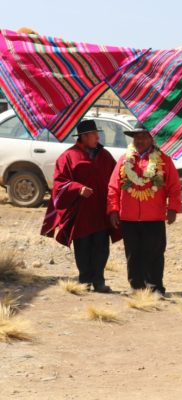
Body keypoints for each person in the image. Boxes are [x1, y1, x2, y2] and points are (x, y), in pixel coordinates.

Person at [41, 120, 120, 293]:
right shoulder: (68, 157)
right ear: (83, 137)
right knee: (83, 246)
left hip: (100, 211)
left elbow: (116, 178)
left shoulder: (105, 155)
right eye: (93, 134)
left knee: (101, 247)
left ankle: (99, 281)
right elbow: (59, 183)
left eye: (97, 133)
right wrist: (77, 188)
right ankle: (84, 280)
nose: (98, 137)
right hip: (81, 213)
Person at [107, 123, 181, 297]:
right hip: (129, 216)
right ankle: (136, 286)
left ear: (151, 138)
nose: (139, 140)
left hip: (154, 216)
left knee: (154, 253)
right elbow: (113, 186)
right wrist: (113, 209)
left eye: (143, 136)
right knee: (133, 253)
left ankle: (155, 287)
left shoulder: (163, 160)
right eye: (136, 137)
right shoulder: (124, 160)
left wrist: (173, 208)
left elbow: (174, 186)